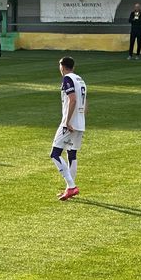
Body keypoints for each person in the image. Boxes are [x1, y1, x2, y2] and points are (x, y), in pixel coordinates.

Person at [51, 56, 87, 201]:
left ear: (62, 66)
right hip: (80, 122)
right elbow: (85, 102)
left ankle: (71, 186)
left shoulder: (67, 79)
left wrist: (67, 121)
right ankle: (69, 188)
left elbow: (73, 99)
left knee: (55, 153)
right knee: (72, 153)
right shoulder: (80, 79)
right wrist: (80, 120)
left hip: (70, 123)